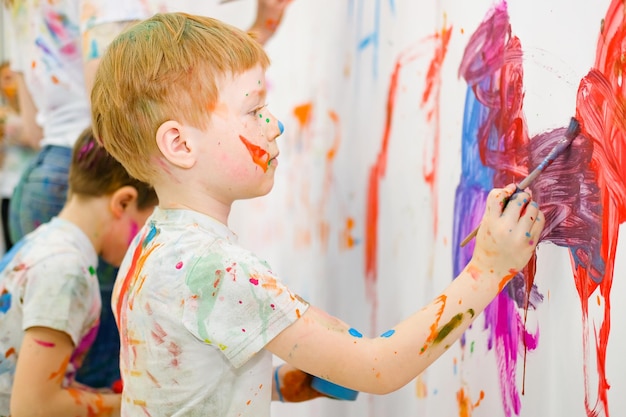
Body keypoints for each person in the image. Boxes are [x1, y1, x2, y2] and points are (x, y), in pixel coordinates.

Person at [90, 12, 545, 416]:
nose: (275, 124)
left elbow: (177, 387)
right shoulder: (216, 270)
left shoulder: (149, 248)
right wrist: (487, 270)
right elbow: (376, 368)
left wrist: (275, 387)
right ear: (181, 145)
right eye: (254, 110)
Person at [4, 0, 295, 389]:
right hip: (102, 164)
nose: (271, 125)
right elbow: (118, 102)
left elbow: (35, 129)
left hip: (46, 172)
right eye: (255, 110)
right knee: (103, 372)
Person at [0, 127, 158, 417]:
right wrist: (132, 407)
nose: (147, 243)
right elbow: (32, 407)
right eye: (149, 225)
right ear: (123, 202)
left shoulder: (43, 241)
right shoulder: (66, 271)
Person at [0, 61, 38, 253]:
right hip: (9, 189)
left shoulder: (36, 113)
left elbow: (33, 139)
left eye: (15, 77)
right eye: (6, 78)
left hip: (32, 190)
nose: (12, 83)